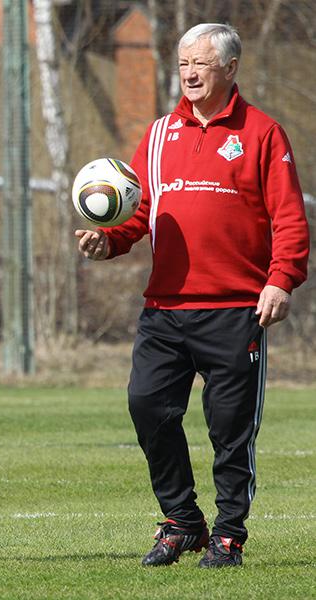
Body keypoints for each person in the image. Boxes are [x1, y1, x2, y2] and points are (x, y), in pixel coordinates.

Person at [76, 23, 309, 568]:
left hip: (236, 309)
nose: (189, 72)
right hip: (165, 310)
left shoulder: (262, 133)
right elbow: (137, 214)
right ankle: (181, 521)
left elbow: (290, 219)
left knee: (230, 430)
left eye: (201, 63)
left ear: (230, 69)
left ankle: (229, 535)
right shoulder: (158, 135)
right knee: (146, 406)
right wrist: (105, 240)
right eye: (183, 62)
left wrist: (281, 279)